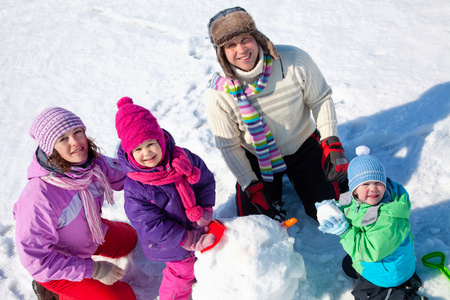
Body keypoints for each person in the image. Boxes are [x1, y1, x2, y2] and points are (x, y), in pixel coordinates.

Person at [205, 7, 349, 222]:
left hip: (303, 145)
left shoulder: (294, 60)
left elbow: (320, 98)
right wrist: (250, 184)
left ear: (257, 38)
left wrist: (331, 141)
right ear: (221, 53)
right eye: (231, 45)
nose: (241, 49)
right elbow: (229, 145)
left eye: (245, 39)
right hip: (256, 157)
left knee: (328, 211)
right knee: (258, 222)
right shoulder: (219, 93)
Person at [14, 107, 138, 299]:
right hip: (55, 264)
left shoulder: (92, 164)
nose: (75, 142)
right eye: (63, 139)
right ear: (50, 148)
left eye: (77, 132)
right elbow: (37, 261)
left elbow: (129, 175)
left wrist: (157, 166)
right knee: (122, 297)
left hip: (89, 234)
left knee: (130, 239)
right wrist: (94, 269)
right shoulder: (38, 198)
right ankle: (55, 293)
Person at [115, 97, 216, 300]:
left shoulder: (183, 159)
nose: (146, 153)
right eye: (138, 149)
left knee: (205, 256)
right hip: (169, 241)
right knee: (181, 273)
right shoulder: (136, 187)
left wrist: (205, 208)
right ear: (129, 152)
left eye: (150, 144)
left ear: (160, 139)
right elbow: (151, 225)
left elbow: (205, 180)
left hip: (195, 224)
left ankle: (203, 278)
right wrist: (185, 238)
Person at [316, 146, 426, 300]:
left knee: (363, 295)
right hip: (384, 262)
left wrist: (345, 232)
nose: (373, 188)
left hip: (389, 271)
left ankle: (403, 294)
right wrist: (331, 207)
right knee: (348, 266)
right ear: (354, 189)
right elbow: (346, 203)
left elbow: (370, 251)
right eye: (366, 184)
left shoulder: (388, 218)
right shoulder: (355, 198)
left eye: (378, 182)